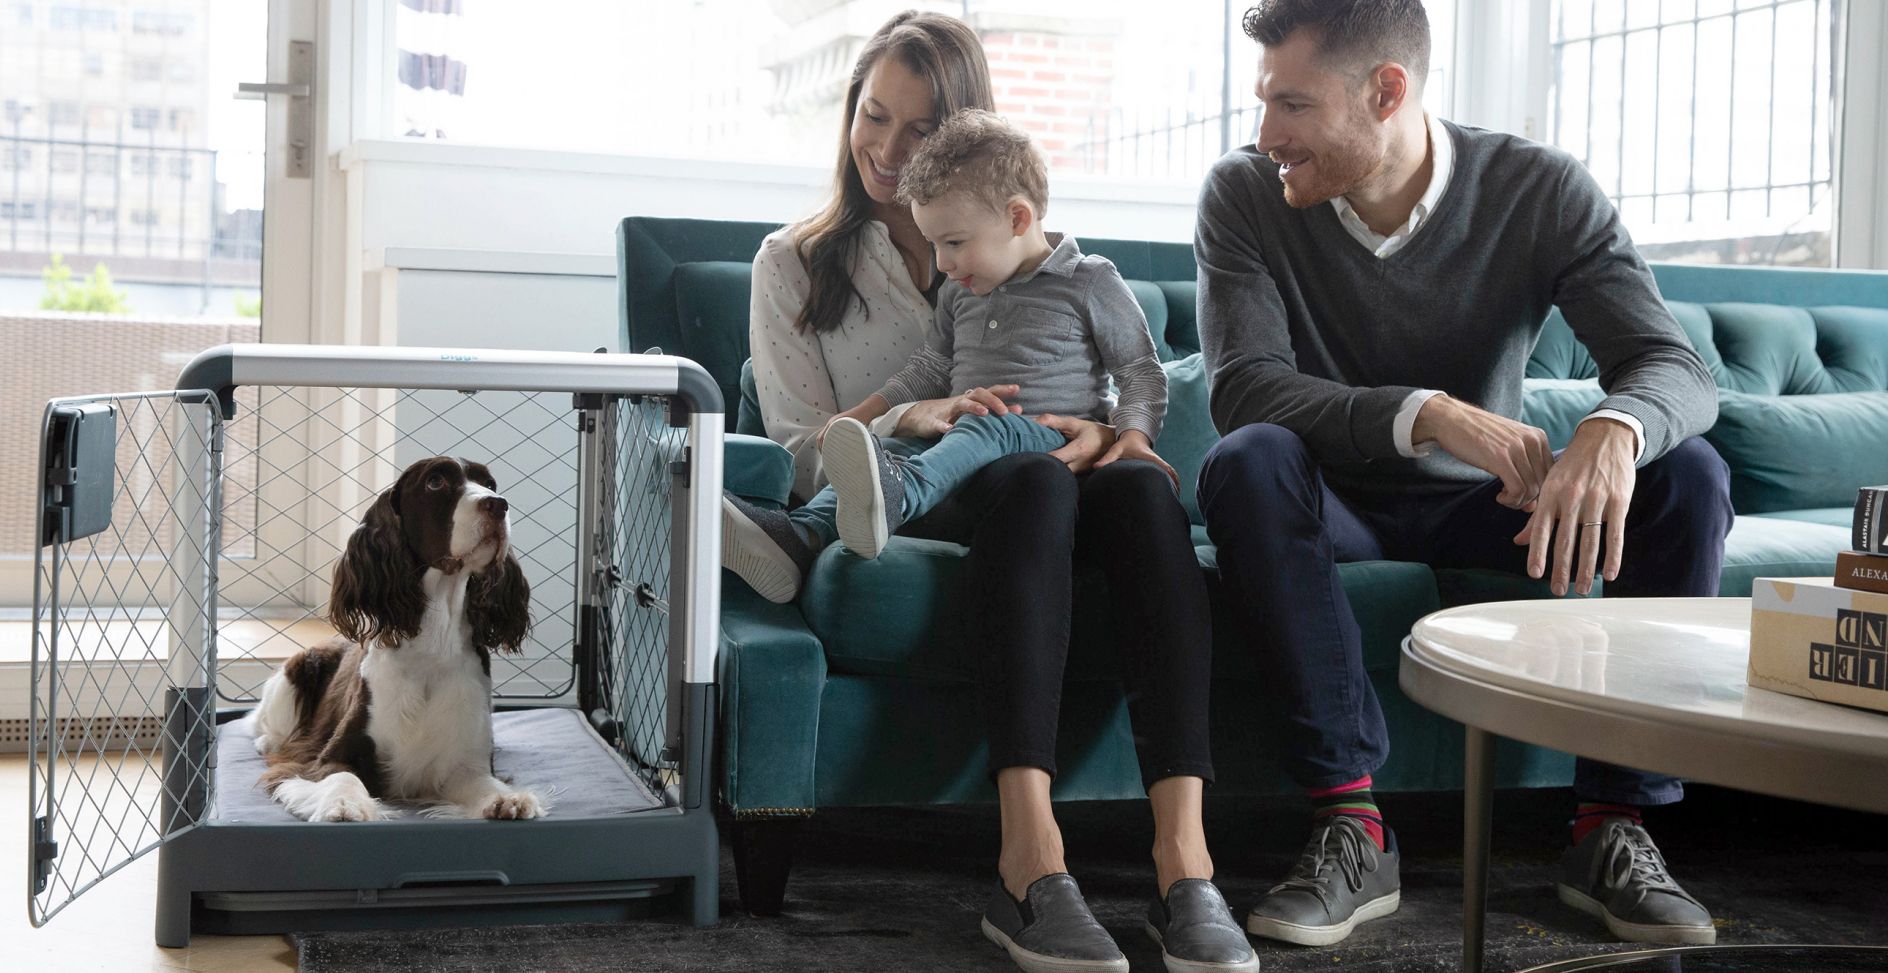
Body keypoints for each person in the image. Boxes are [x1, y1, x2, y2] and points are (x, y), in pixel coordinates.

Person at [1193, 0, 1731, 950]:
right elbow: (1246, 388)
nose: (1265, 133)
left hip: (1495, 509)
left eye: (1292, 104)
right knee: (1249, 459)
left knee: (1687, 475)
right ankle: (1350, 826)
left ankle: (1614, 827)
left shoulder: (1539, 188)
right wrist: (1426, 412)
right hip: (1328, 499)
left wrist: (1613, 427)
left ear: (1386, 91)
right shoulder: (1244, 195)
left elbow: (1675, 367)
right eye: (1264, 102)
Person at [724, 12, 1255, 972]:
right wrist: (907, 420)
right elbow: (809, 438)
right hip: (958, 481)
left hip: (1068, 463)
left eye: (919, 130)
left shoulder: (1027, 252)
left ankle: (1187, 865)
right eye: (872, 115)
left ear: (967, 142)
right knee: (1028, 485)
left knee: (1139, 495)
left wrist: (1113, 434)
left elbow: (1134, 366)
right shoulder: (794, 265)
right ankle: (1029, 860)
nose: (886, 150)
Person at [734, 108, 1174, 567]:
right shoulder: (963, 291)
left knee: (988, 423)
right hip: (971, 444)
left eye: (955, 242)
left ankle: (900, 498)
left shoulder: (1089, 281)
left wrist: (1134, 436)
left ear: (1017, 219)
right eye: (934, 244)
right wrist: (863, 415)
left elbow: (1140, 369)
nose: (942, 262)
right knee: (896, 449)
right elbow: (930, 367)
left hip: (1052, 446)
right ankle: (800, 535)